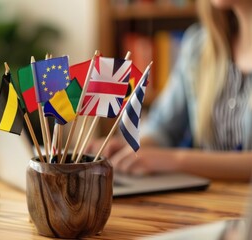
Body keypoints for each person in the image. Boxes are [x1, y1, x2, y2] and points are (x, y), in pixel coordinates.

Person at [87, 0, 252, 181]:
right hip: (209, 202)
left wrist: (174, 160)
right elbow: (164, 126)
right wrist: (130, 147)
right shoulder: (199, 46)